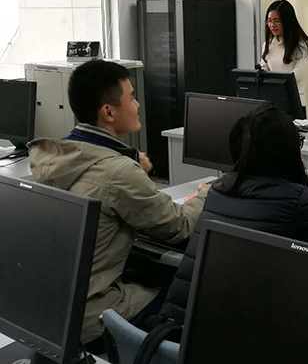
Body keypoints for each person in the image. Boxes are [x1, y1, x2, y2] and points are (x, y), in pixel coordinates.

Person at [27, 60, 208, 350]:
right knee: (190, 299)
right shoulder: (118, 173)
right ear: (109, 112)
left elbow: (103, 188)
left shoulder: (57, 158)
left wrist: (133, 169)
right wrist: (204, 194)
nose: (137, 105)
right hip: (93, 317)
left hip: (52, 309)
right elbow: (180, 226)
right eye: (132, 97)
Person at [157, 105, 308, 327]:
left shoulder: (219, 188)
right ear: (288, 152)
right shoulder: (295, 199)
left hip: (177, 324)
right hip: (218, 334)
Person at [261, 0, 308, 117]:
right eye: (269, 21)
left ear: (287, 21)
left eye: (277, 21)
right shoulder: (267, 45)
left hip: (294, 103)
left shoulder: (301, 45)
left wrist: (272, 81)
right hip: (272, 103)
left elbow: (297, 76)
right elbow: (263, 70)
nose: (272, 25)